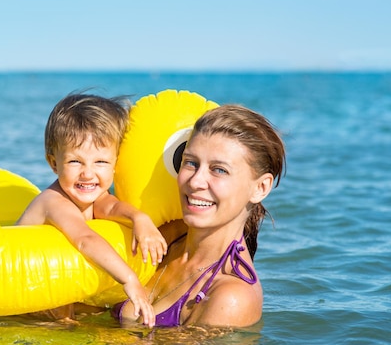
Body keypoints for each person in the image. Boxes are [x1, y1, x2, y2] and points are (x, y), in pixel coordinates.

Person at [113, 104, 286, 328]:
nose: (195, 181)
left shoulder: (230, 297)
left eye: (219, 170)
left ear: (260, 188)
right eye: (190, 163)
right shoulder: (161, 237)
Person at [17, 93, 168, 327]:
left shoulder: (94, 197)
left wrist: (140, 219)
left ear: (115, 164)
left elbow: (114, 207)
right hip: (23, 295)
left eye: (101, 162)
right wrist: (130, 280)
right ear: (54, 163)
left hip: (58, 292)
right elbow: (85, 239)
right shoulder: (53, 201)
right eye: (75, 162)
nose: (88, 174)